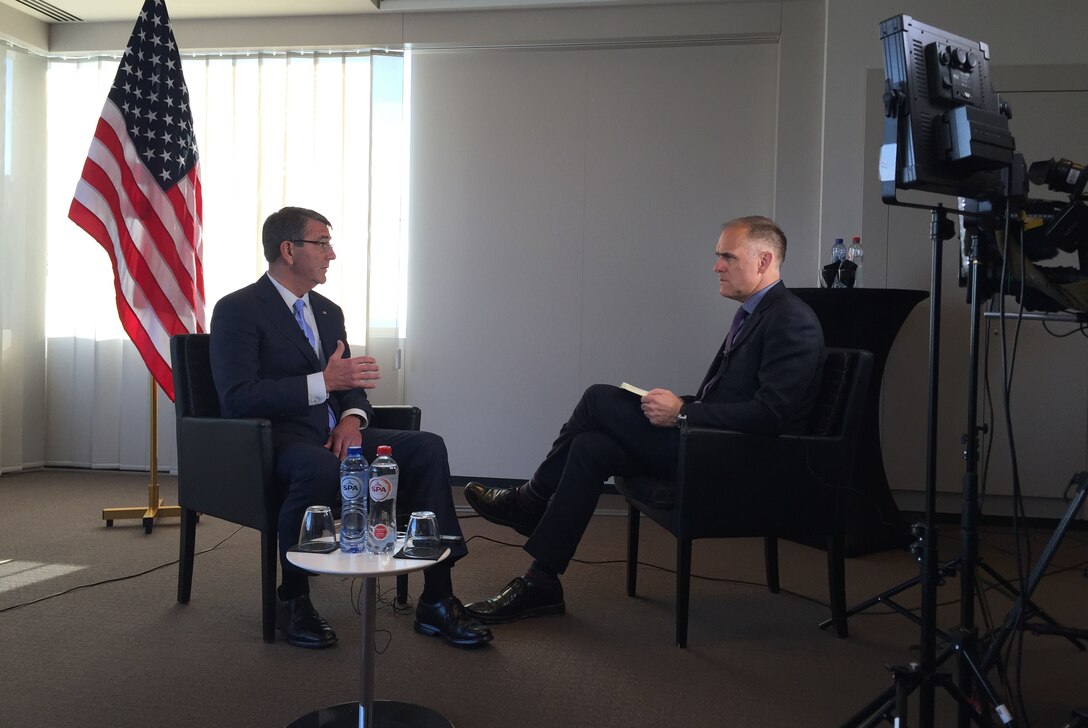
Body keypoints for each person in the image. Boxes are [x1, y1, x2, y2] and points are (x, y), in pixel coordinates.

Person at [462, 215, 825, 623]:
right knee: (589, 448)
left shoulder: (791, 319)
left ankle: (528, 502)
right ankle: (541, 582)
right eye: (717, 256)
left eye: (727, 256)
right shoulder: (758, 314)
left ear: (763, 261)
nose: (716, 266)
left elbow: (773, 415)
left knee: (598, 398)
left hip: (729, 460)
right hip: (708, 444)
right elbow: (732, 398)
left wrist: (683, 412)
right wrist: (676, 404)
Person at [209, 206, 492, 649]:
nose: (332, 254)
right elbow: (238, 397)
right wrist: (323, 382)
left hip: (338, 435)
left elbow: (351, 386)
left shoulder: (327, 311)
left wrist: (351, 418)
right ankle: (294, 597)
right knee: (319, 468)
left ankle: (438, 598)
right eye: (322, 243)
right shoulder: (238, 310)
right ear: (288, 250)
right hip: (276, 439)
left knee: (427, 448)